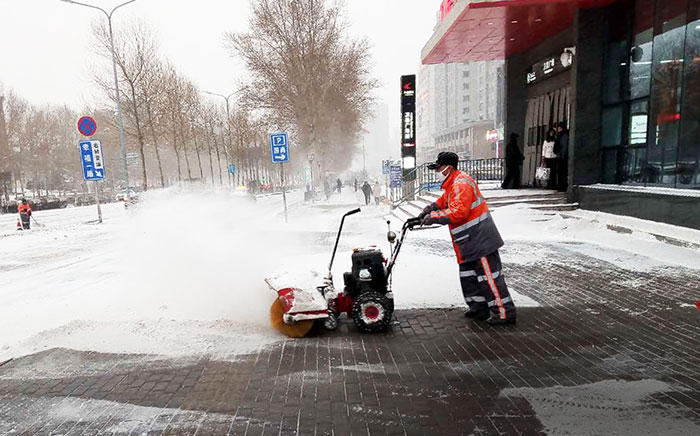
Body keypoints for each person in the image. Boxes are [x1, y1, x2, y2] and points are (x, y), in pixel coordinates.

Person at [417, 152, 516, 326]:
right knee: (469, 276)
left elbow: (459, 212)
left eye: (439, 168)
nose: (437, 172)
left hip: (480, 239)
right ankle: (479, 307)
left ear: (449, 167)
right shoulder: (452, 184)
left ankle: (503, 313)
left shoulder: (461, 184)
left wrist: (433, 217)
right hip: (469, 242)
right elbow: (444, 201)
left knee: (489, 278)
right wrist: (430, 208)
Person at [554, 121, 569, 192]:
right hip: (560, 156)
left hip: (562, 157)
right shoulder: (560, 135)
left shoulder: (563, 136)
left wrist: (562, 155)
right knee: (560, 172)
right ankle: (561, 186)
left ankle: (562, 186)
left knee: (562, 172)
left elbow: (564, 146)